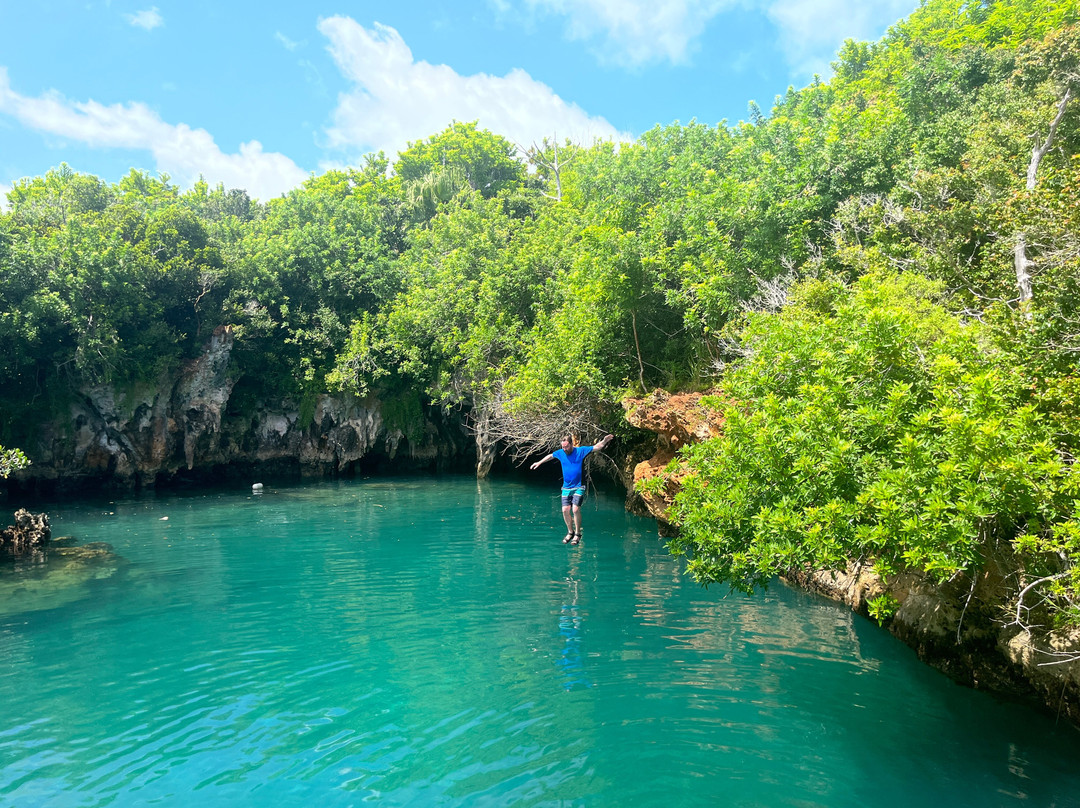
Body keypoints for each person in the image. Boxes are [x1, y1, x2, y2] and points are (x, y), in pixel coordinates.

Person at [530, 433, 614, 545]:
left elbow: (596, 447)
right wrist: (539, 462)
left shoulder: (580, 451)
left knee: (575, 509)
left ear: (571, 444)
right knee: (565, 510)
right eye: (563, 447)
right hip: (566, 487)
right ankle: (570, 532)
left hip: (579, 486)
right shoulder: (560, 453)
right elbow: (550, 456)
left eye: (566, 447)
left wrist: (604, 441)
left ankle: (578, 533)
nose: (564, 449)